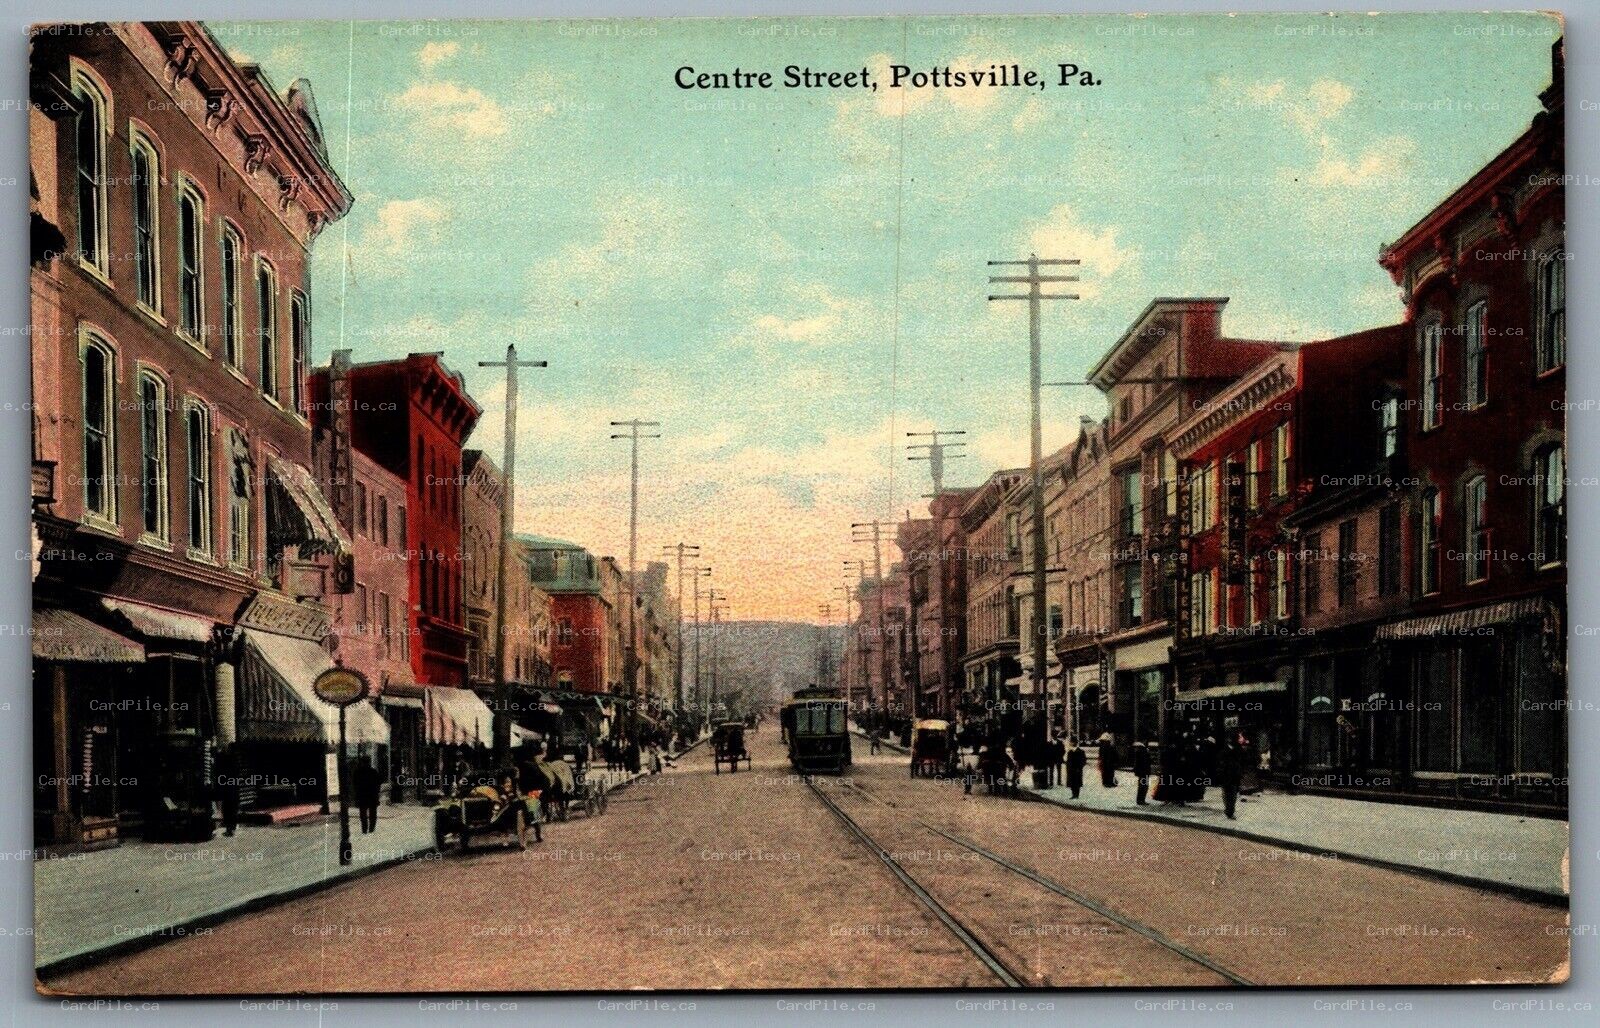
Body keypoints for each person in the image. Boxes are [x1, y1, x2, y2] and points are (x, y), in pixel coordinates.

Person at [213, 745, 241, 837]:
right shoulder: (234, 758)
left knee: (229, 807)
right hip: (232, 786)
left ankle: (230, 827)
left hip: (226, 785)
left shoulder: (222, 758)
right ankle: (231, 828)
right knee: (231, 807)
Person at [353, 755, 382, 835]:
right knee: (372, 814)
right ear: (369, 762)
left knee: (363, 814)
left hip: (362, 796)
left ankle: (364, 829)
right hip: (372, 795)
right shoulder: (373, 771)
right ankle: (371, 829)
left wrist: (357, 794)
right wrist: (377, 793)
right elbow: (378, 784)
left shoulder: (357, 772)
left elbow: (355, 785)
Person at [1218, 734, 1244, 819]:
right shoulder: (1225, 751)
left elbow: (1242, 761)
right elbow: (1221, 764)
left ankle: (1229, 810)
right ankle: (1229, 811)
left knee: (1232, 795)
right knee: (1228, 794)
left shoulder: (1238, 749)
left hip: (1235, 776)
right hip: (1227, 776)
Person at [1132, 741, 1152, 805]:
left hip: (1143, 772)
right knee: (1143, 787)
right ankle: (1141, 800)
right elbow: (1146, 762)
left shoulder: (1139, 752)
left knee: (1142, 787)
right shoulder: (1142, 752)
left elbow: (1137, 763)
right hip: (1144, 772)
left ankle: (1140, 800)